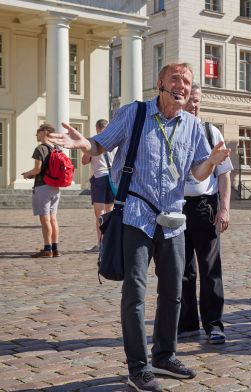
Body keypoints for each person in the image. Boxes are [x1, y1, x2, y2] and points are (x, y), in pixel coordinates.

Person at [49, 63, 231, 392]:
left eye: (187, 81)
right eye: (175, 79)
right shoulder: (134, 114)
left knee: (174, 292)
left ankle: (164, 356)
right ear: (160, 83)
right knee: (134, 292)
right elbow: (100, 144)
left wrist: (212, 161)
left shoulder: (192, 125)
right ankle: (138, 366)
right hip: (136, 213)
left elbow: (198, 173)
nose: (182, 85)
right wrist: (84, 144)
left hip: (173, 218)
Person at [178, 83, 233, 345]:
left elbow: (224, 175)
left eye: (197, 100)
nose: (194, 105)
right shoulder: (172, 131)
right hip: (176, 207)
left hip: (204, 206)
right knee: (182, 269)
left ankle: (214, 325)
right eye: (190, 99)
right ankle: (187, 324)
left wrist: (224, 209)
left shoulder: (211, 132)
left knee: (210, 268)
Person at [22, 124, 61, 258]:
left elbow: (37, 169)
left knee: (45, 220)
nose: (36, 135)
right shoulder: (56, 148)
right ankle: (55, 249)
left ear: (44, 132)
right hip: (55, 187)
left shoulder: (40, 149)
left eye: (37, 132)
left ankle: (47, 249)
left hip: (42, 187)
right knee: (53, 219)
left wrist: (27, 174)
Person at [82, 119, 116, 252]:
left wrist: (87, 151)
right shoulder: (114, 140)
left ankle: (101, 244)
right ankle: (111, 243)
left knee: (99, 212)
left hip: (99, 178)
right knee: (110, 211)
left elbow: (84, 161)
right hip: (112, 178)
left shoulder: (93, 141)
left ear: (97, 128)